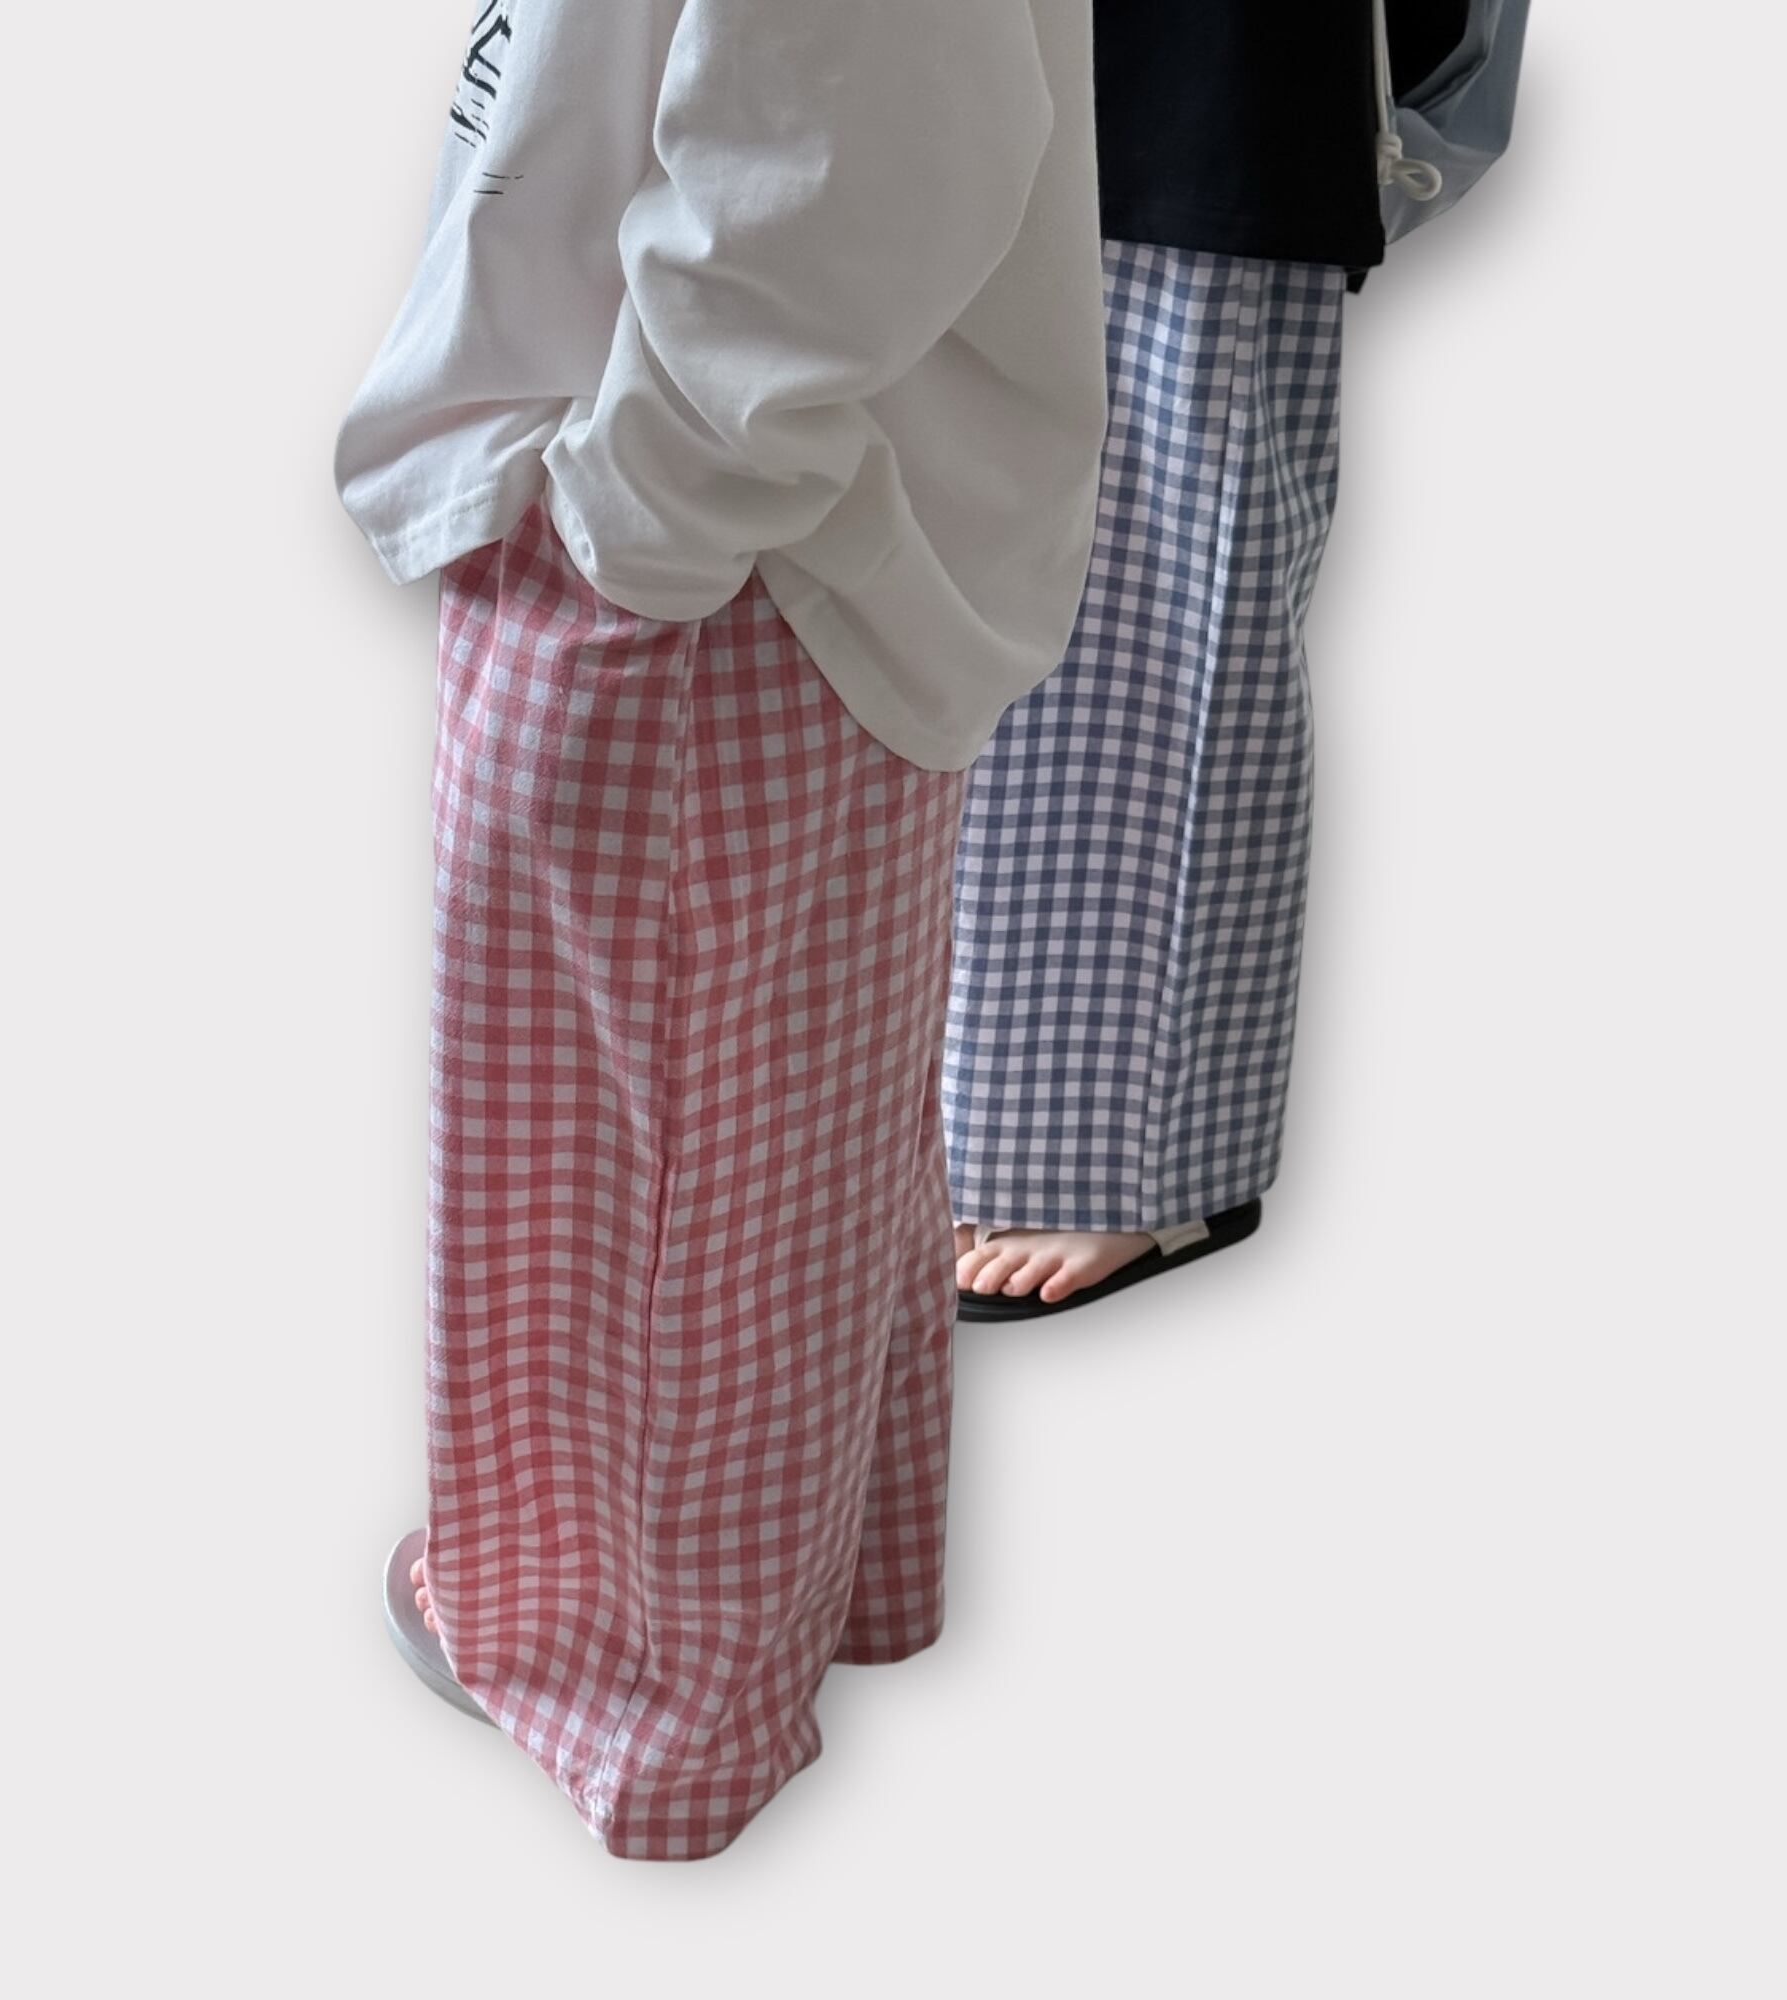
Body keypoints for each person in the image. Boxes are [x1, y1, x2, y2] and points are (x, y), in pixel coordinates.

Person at [335, 0, 1107, 1860]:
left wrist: (632, 521)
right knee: (785, 1153)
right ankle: (816, 1584)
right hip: (770, 529)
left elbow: (836, 166)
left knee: (643, 1171)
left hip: (722, 558)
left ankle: (645, 1681)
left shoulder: (678, 529)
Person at [948, 0, 1480, 1317]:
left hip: (1219, 83)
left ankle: (1148, 1162)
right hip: (967, 77)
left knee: (1180, 627)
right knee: (963, 617)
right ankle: (982, 1121)